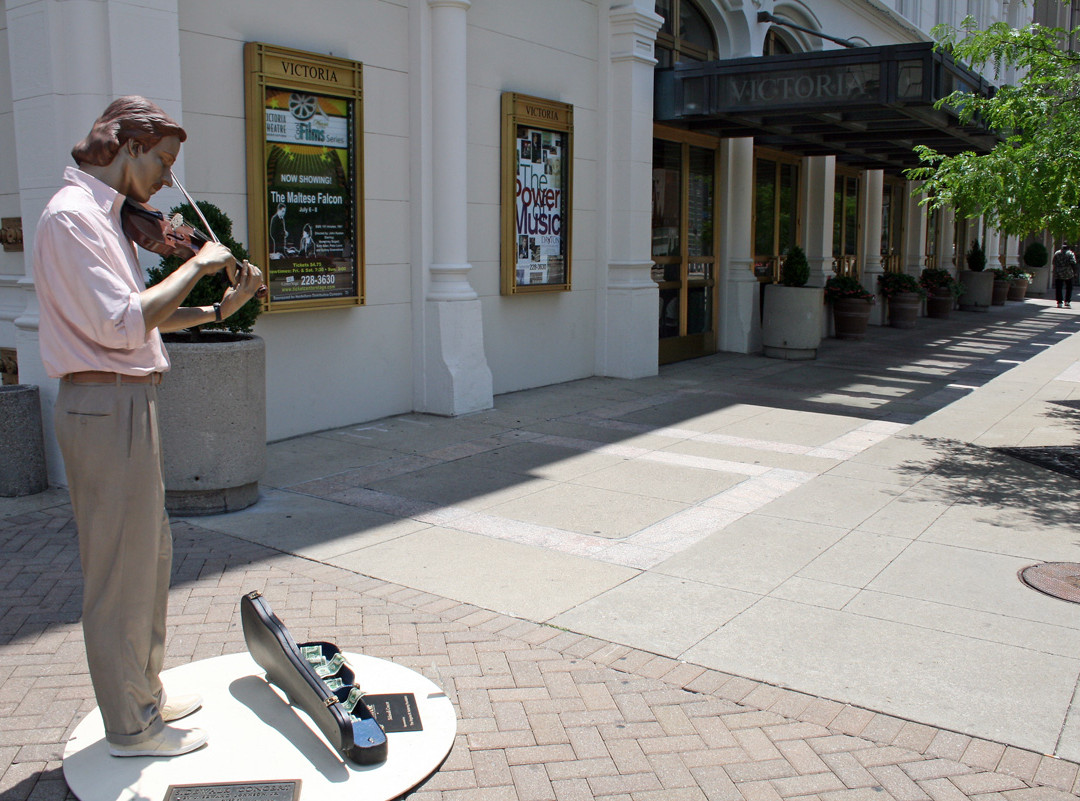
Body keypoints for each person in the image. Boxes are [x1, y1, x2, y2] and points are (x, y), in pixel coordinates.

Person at [33, 96, 263, 758]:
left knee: (149, 559)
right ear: (129, 148)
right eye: (163, 162)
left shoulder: (107, 217)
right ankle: (132, 727)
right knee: (118, 575)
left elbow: (146, 321)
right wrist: (197, 261)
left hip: (127, 400)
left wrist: (220, 307)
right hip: (104, 407)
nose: (167, 180)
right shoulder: (71, 219)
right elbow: (123, 322)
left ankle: (146, 690)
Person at [1052, 243, 1076, 309]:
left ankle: (1059, 302)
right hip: (1068, 272)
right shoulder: (1070, 253)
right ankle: (1067, 301)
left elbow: (1054, 262)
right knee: (1069, 287)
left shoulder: (1057, 253)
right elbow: (1073, 262)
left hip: (1058, 272)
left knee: (1058, 288)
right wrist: (1075, 272)